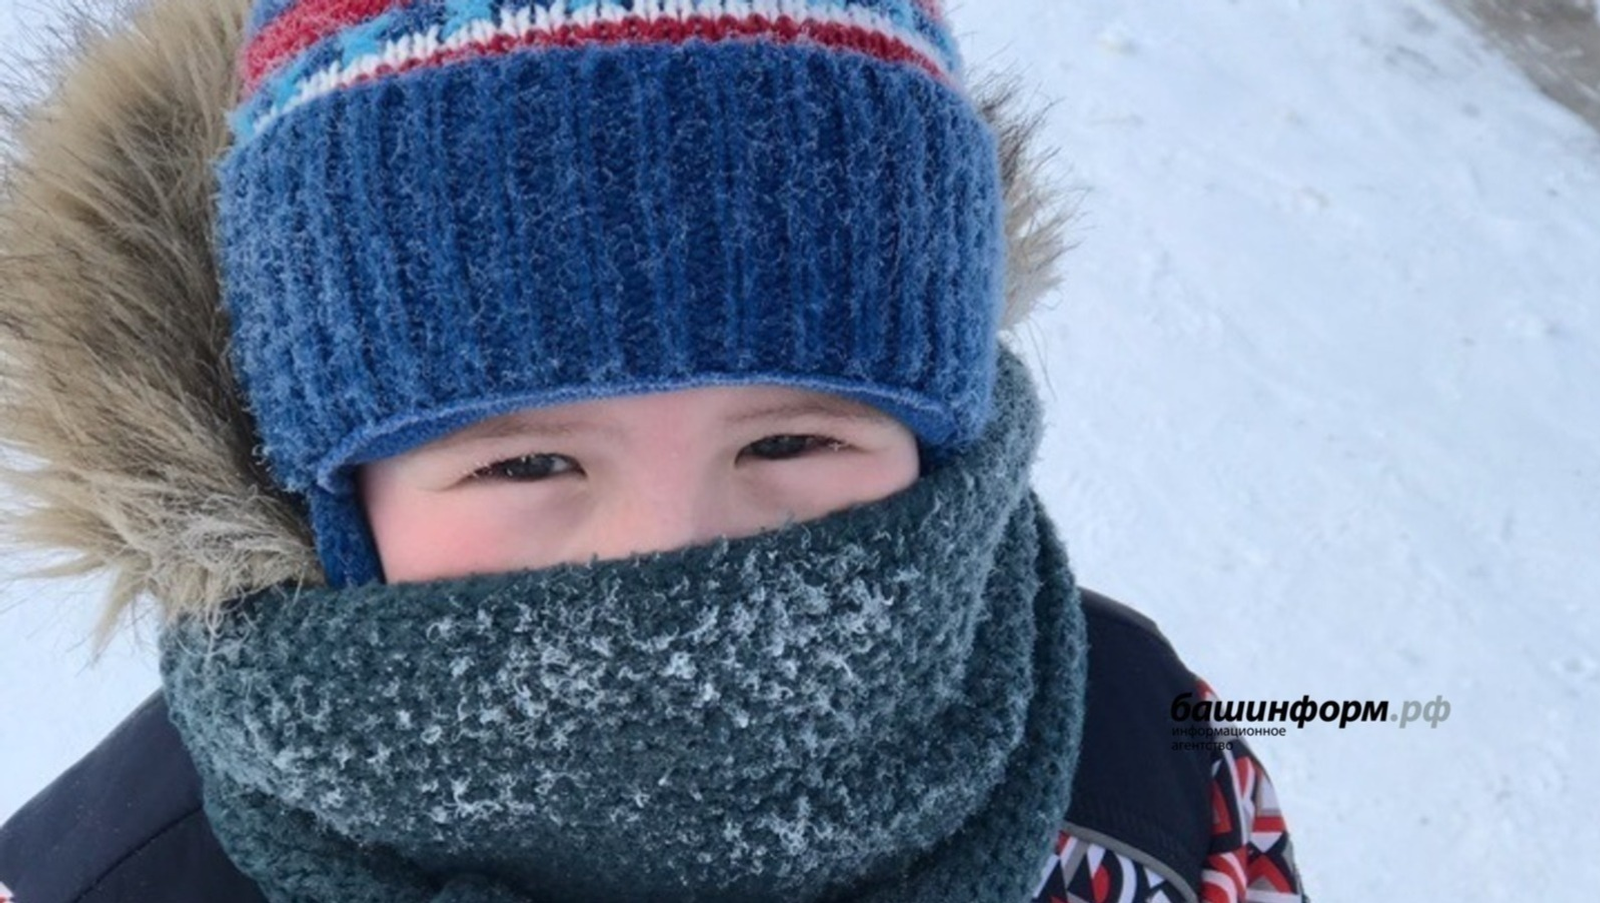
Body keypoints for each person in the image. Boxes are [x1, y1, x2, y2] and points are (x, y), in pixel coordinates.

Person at [0, 0, 1308, 901]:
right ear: (327, 490)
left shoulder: (1135, 746)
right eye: (525, 463)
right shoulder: (104, 877)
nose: (673, 549)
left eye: (795, 436)